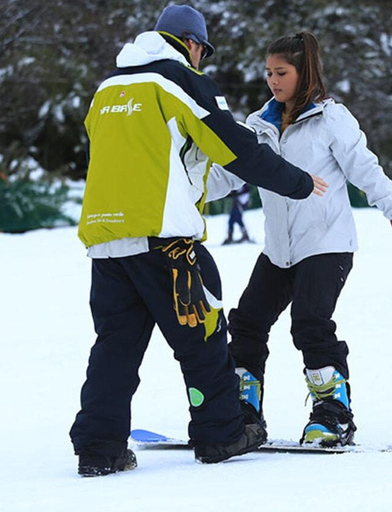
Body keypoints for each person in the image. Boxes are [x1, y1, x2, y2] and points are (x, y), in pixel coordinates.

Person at [70, 6, 328, 476]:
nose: (201, 61)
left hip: (106, 240)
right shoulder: (179, 81)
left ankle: (98, 447)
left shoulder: (107, 88)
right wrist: (298, 182)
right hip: (164, 240)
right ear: (190, 43)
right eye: (202, 51)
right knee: (204, 338)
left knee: (115, 346)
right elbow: (236, 148)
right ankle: (222, 433)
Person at [206, 32, 392, 447]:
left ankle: (333, 414)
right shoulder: (259, 125)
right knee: (247, 323)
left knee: (310, 323)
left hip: (326, 244)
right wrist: (178, 190)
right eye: (268, 72)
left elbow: (366, 171)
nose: (273, 80)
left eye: (282, 72)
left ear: (303, 72)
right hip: (279, 249)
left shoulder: (331, 119)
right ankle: (243, 412)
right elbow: (227, 176)